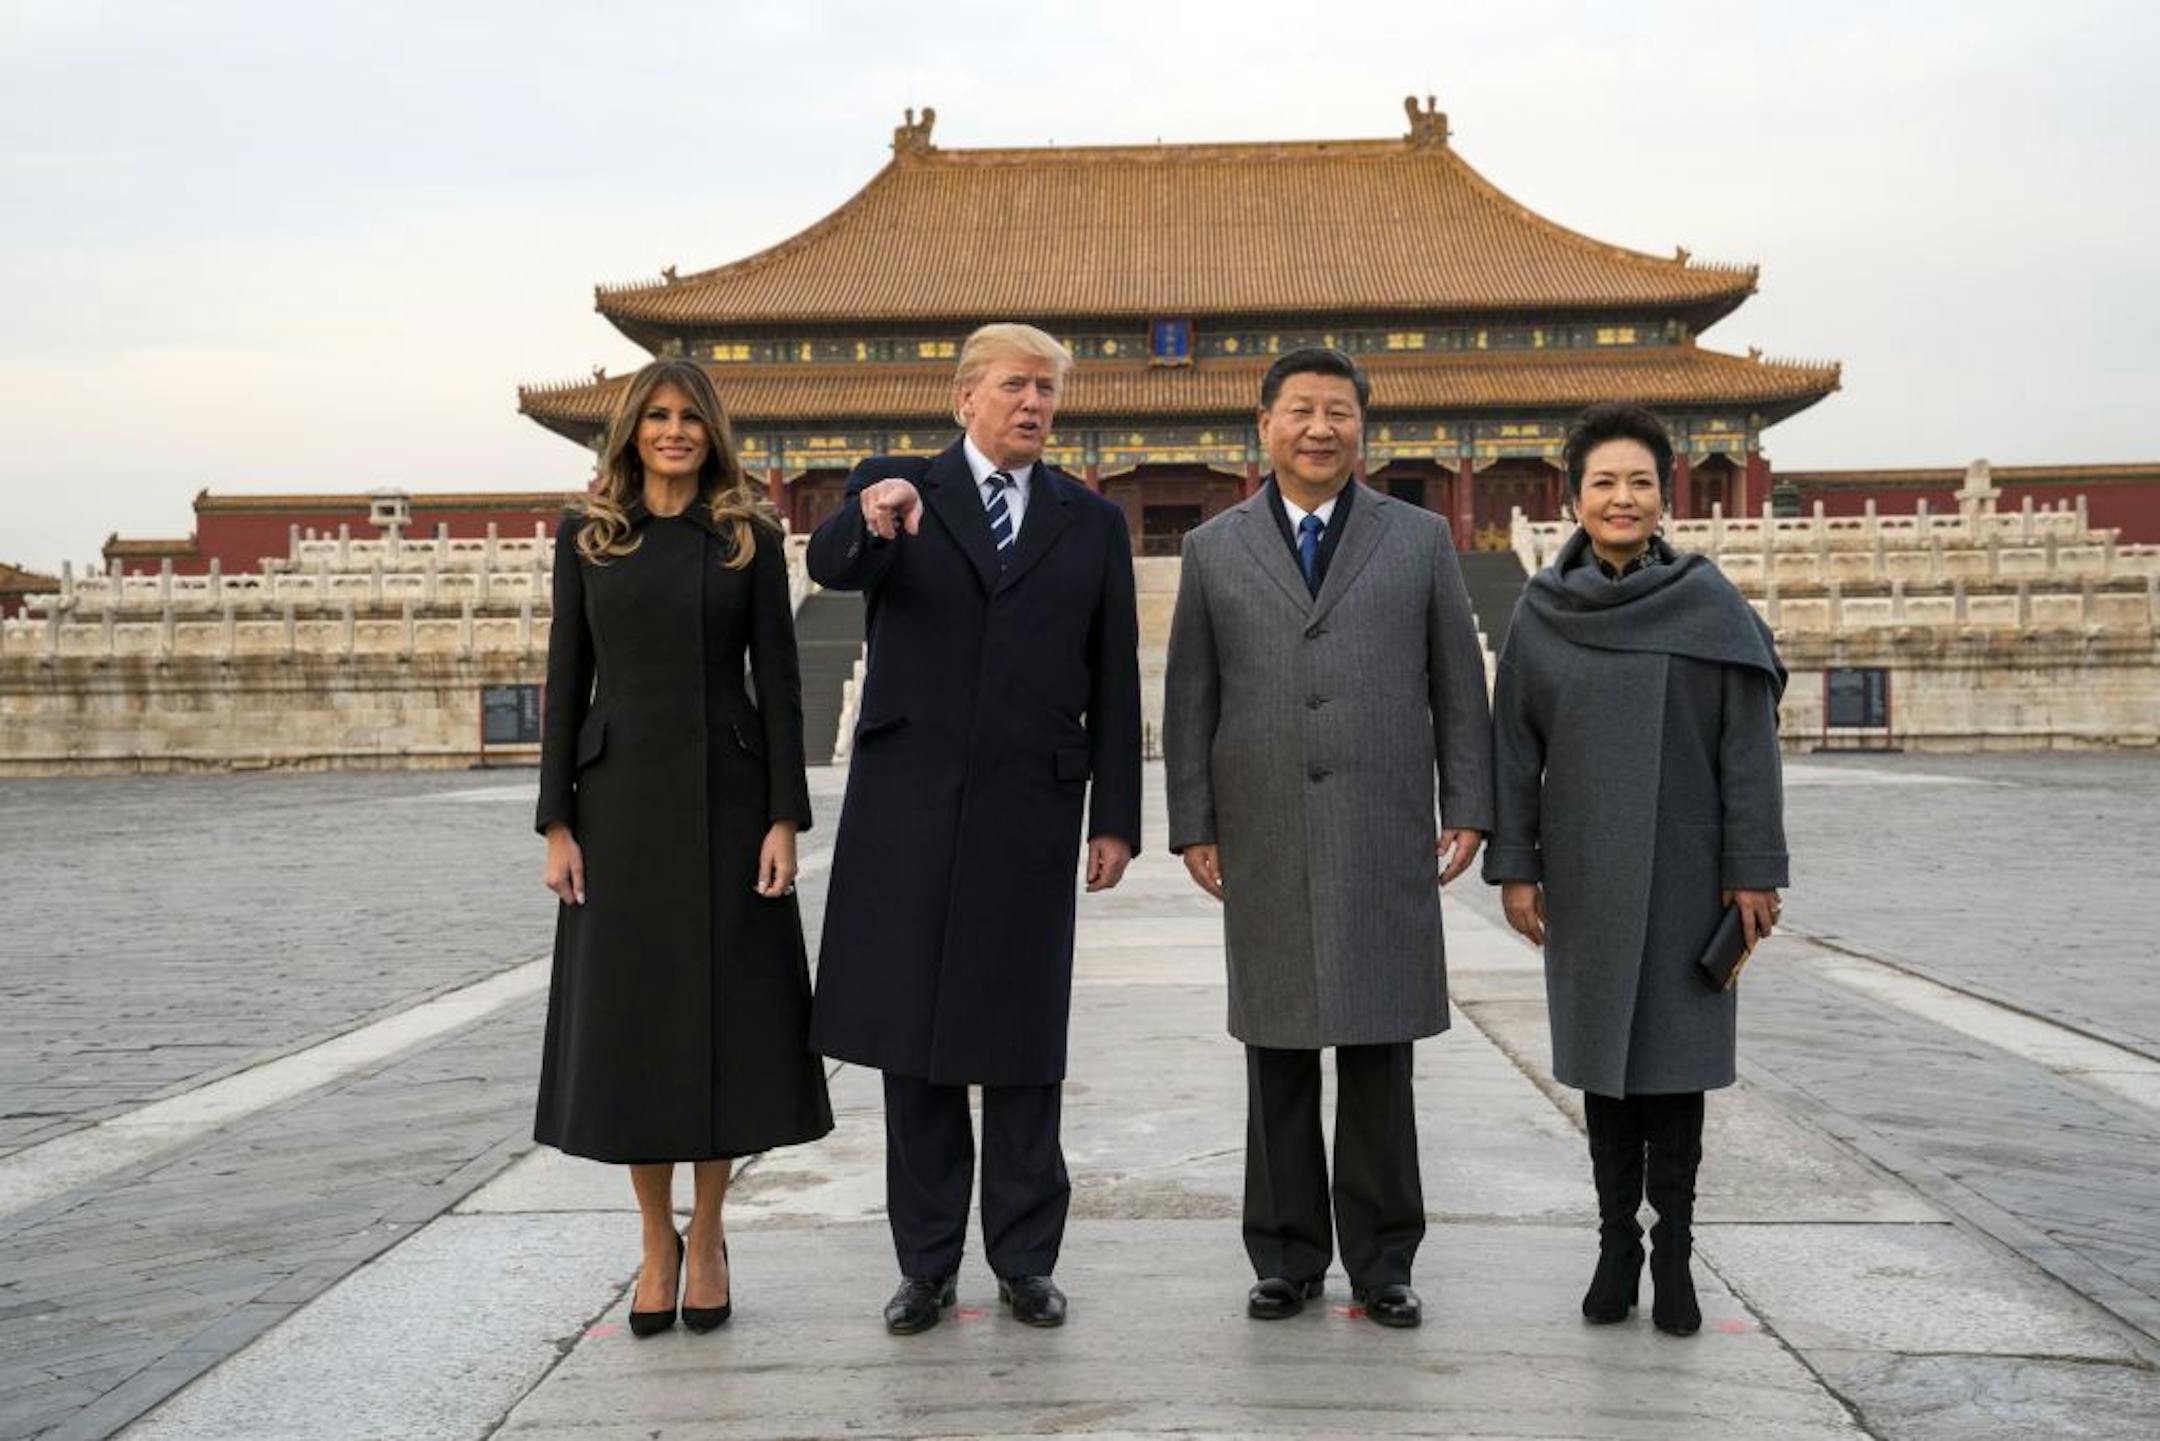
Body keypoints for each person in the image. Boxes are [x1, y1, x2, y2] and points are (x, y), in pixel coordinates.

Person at [806, 322, 1142, 1334]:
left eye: (1047, 390)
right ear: (964, 400)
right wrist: (870, 514)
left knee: (1024, 1044)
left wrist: (1116, 818)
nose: (1033, 404)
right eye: (1014, 387)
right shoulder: (902, 487)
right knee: (914, 1049)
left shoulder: (1089, 521)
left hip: (1032, 808)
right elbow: (832, 563)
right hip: (909, 809)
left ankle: (1027, 1260)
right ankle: (926, 1264)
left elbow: (1114, 677)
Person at [1162, 347, 1493, 1329]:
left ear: (1362, 427)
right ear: (1262, 426)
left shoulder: (1419, 538)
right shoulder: (1214, 548)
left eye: (1338, 412)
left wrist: (1466, 800)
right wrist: (1194, 823)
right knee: (1277, 1048)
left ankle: (1384, 1258)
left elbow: (1457, 687)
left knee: (1381, 1049)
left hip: (1383, 822)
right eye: (1300, 411)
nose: (1320, 429)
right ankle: (1287, 1252)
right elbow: (1192, 697)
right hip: (1262, 823)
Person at [533, 358, 833, 1338]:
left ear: (712, 432)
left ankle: (707, 1233)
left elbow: (779, 686)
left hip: (729, 803)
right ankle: (652, 1238)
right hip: (617, 808)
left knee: (725, 1027)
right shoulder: (588, 538)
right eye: (656, 417)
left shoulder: (747, 536)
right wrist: (557, 823)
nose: (672, 432)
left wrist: (785, 816)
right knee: (635, 1030)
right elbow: (564, 681)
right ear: (630, 430)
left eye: (689, 418)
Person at [1483, 402, 1788, 1337]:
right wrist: (1519, 867)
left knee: (1675, 1070)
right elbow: (1512, 751)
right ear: (1573, 497)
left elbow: (1748, 748)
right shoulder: (1541, 610)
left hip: (1692, 872)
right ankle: (1617, 1242)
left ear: (1666, 495)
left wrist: (1754, 870)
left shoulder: (1710, 602)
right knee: (1605, 1072)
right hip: (1586, 872)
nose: (1623, 497)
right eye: (1604, 481)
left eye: (1641, 481)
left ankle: (1677, 1254)